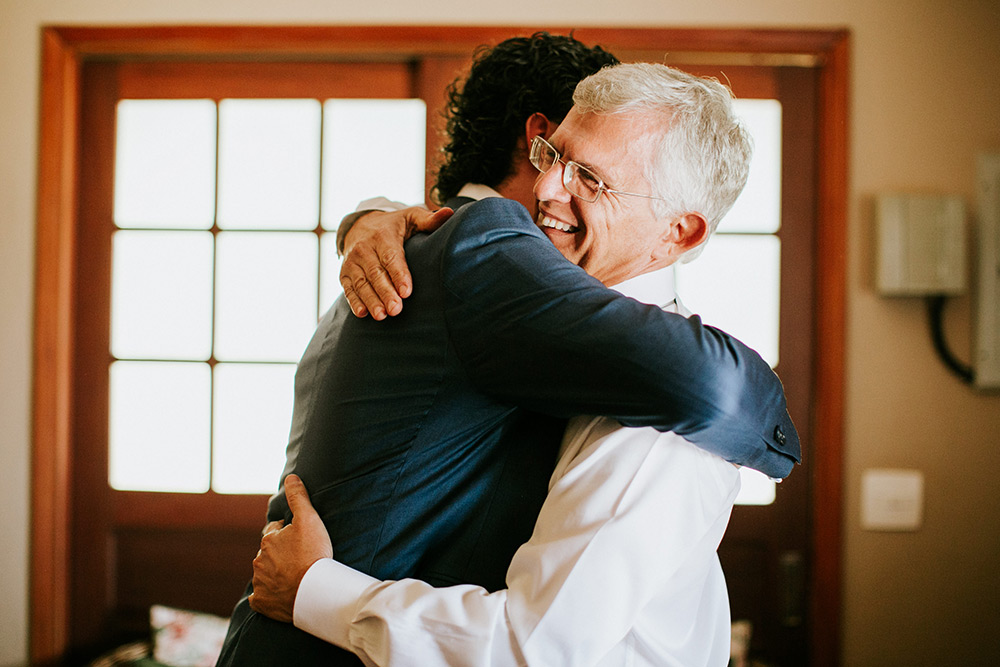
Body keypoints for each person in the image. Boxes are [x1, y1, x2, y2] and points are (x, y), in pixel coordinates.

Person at [217, 36, 799, 667]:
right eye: (551, 156)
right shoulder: (492, 274)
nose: (546, 187)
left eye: (591, 178)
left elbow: (533, 646)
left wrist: (318, 590)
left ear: (680, 231)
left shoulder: (657, 421)